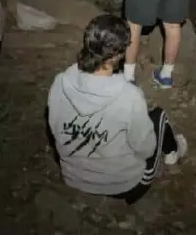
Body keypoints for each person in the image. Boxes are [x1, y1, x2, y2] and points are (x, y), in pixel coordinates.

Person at [47, 14, 188, 205]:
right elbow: (146, 150)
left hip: (73, 177)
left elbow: (56, 130)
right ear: (119, 54)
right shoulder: (128, 95)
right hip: (126, 186)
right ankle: (173, 154)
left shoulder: (61, 82)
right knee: (158, 117)